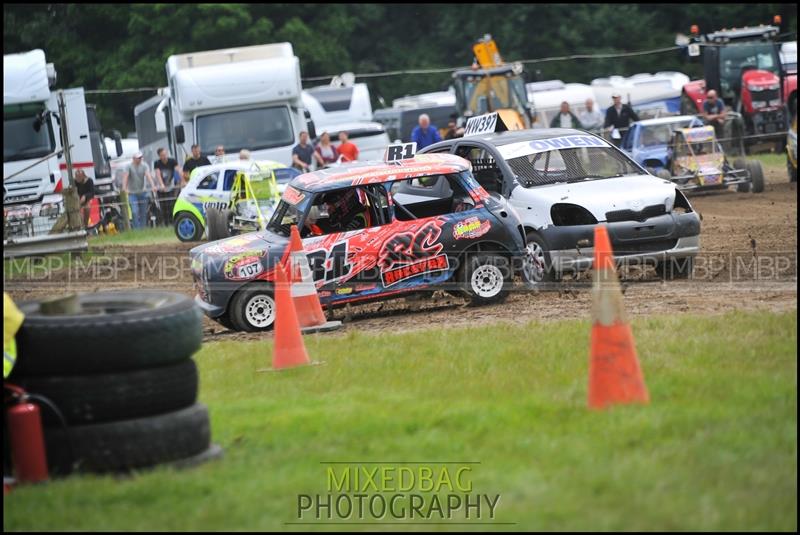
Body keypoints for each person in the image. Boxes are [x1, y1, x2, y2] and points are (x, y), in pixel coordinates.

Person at [123, 151, 159, 230]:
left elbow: (148, 175)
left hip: (143, 192)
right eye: (138, 158)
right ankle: (137, 229)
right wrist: (124, 188)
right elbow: (126, 177)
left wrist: (153, 186)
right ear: (134, 158)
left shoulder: (144, 165)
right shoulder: (128, 166)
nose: (140, 159)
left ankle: (142, 229)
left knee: (143, 212)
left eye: (141, 157)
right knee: (134, 212)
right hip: (132, 193)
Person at [153, 148, 181, 225]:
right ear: (159, 156)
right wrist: (162, 184)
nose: (164, 156)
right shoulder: (157, 163)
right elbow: (158, 174)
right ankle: (166, 223)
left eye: (165, 154)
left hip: (171, 187)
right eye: (162, 155)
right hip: (161, 189)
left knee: (172, 205)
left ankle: (173, 222)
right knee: (163, 207)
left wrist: (183, 180)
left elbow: (178, 170)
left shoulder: (172, 161)